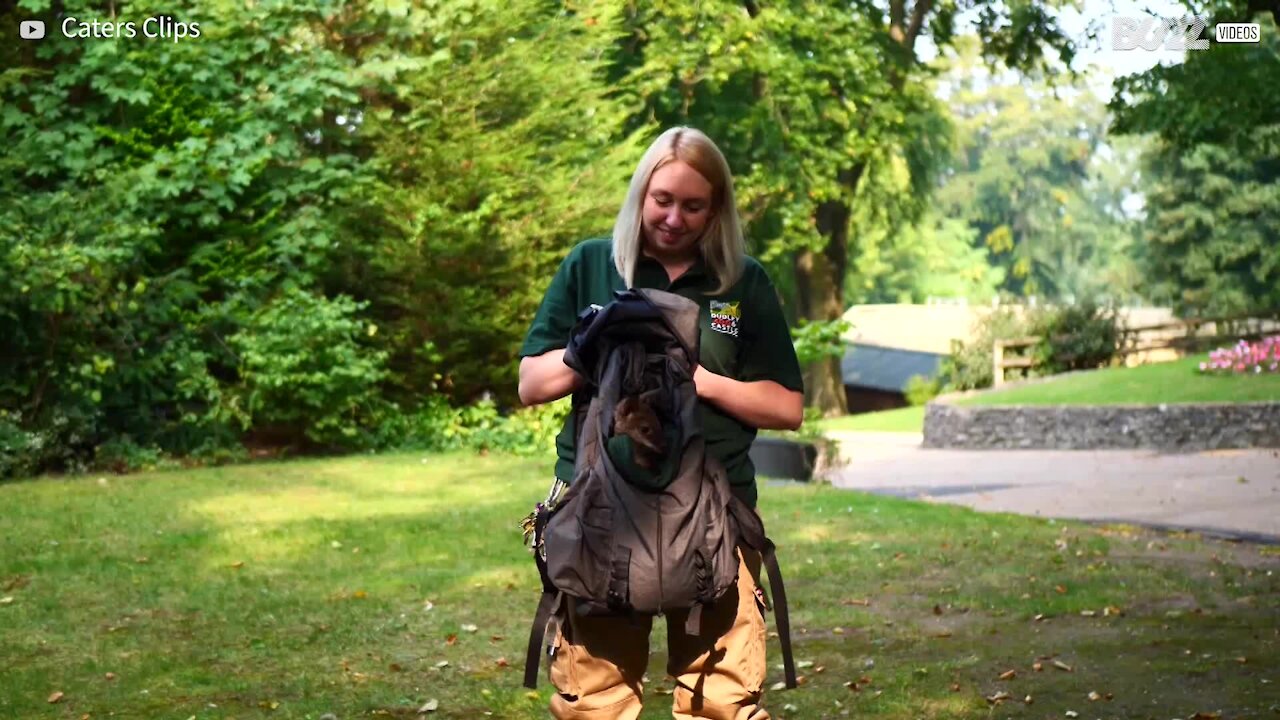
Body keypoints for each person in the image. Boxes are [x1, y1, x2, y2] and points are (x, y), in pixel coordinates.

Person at [517, 126, 805, 720]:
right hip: (601, 511)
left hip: (717, 517)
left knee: (721, 702)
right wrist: (591, 348)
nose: (674, 218)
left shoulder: (741, 282)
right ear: (640, 195)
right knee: (593, 703)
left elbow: (787, 406)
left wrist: (700, 380)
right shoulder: (593, 264)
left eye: (693, 205)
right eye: (662, 200)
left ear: (716, 209)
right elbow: (529, 384)